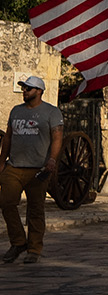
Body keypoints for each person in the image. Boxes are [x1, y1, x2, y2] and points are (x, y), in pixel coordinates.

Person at [1, 75, 64, 264]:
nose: (24, 91)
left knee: (35, 209)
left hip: (38, 168)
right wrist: (2, 161)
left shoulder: (51, 112)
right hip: (14, 166)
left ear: (39, 91)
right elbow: (8, 137)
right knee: (6, 203)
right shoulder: (16, 111)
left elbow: (57, 137)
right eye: (23, 88)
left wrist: (52, 160)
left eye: (28, 88)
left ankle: (34, 248)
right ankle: (18, 242)